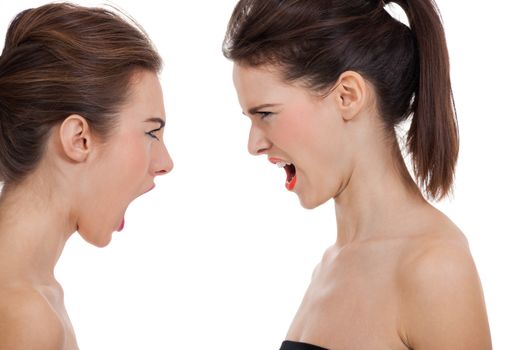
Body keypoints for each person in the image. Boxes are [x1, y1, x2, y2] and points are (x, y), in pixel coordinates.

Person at [223, 0, 491, 349]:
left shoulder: (435, 268)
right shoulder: (328, 265)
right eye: (250, 118)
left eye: (266, 114)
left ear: (347, 96)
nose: (254, 144)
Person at [0, 3, 173, 349]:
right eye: (151, 134)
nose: (166, 163)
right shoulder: (24, 316)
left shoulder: (39, 296)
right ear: (78, 139)